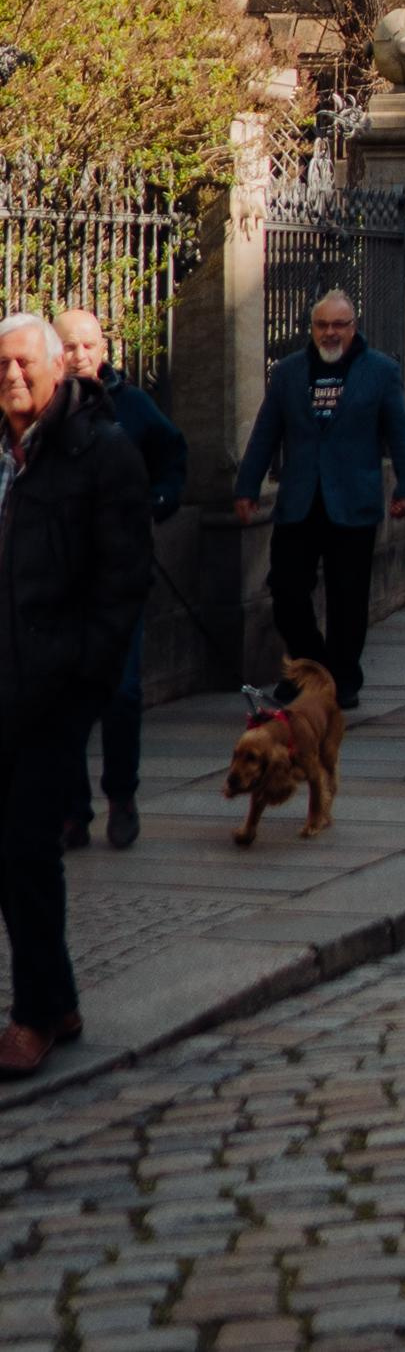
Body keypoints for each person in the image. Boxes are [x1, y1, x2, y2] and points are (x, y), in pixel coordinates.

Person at [0, 314, 151, 1077]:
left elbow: (123, 581)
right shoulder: (6, 454)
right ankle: (55, 999)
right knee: (15, 854)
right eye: (2, 367)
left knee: (27, 846)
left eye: (25, 364)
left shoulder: (101, 452)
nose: (13, 378)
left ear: (61, 368)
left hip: (54, 689)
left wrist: (85, 679)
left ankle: (33, 1016)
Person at [233, 290, 405, 713]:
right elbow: (266, 432)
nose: (330, 333)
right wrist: (246, 488)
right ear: (312, 328)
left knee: (348, 596)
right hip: (300, 500)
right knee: (285, 589)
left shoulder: (380, 371)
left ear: (353, 327)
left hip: (352, 501)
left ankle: (343, 678)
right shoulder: (288, 372)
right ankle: (312, 668)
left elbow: (401, 432)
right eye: (322, 325)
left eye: (339, 325)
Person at [53, 311, 185, 853]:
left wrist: (157, 502)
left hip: (119, 581)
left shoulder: (132, 406)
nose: (82, 354)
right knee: (61, 699)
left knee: (123, 692)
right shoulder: (41, 410)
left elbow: (172, 456)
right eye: (70, 346)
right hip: (58, 581)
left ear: (103, 348)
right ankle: (71, 810)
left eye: (90, 344)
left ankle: (122, 796)